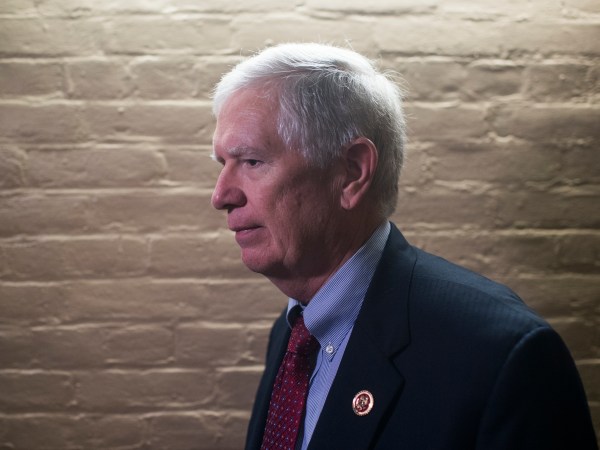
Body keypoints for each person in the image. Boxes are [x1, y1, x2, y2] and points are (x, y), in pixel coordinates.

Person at [210, 43, 597, 450]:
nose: (221, 196)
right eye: (223, 164)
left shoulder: (502, 357)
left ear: (352, 172)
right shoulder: (294, 331)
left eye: (252, 161)